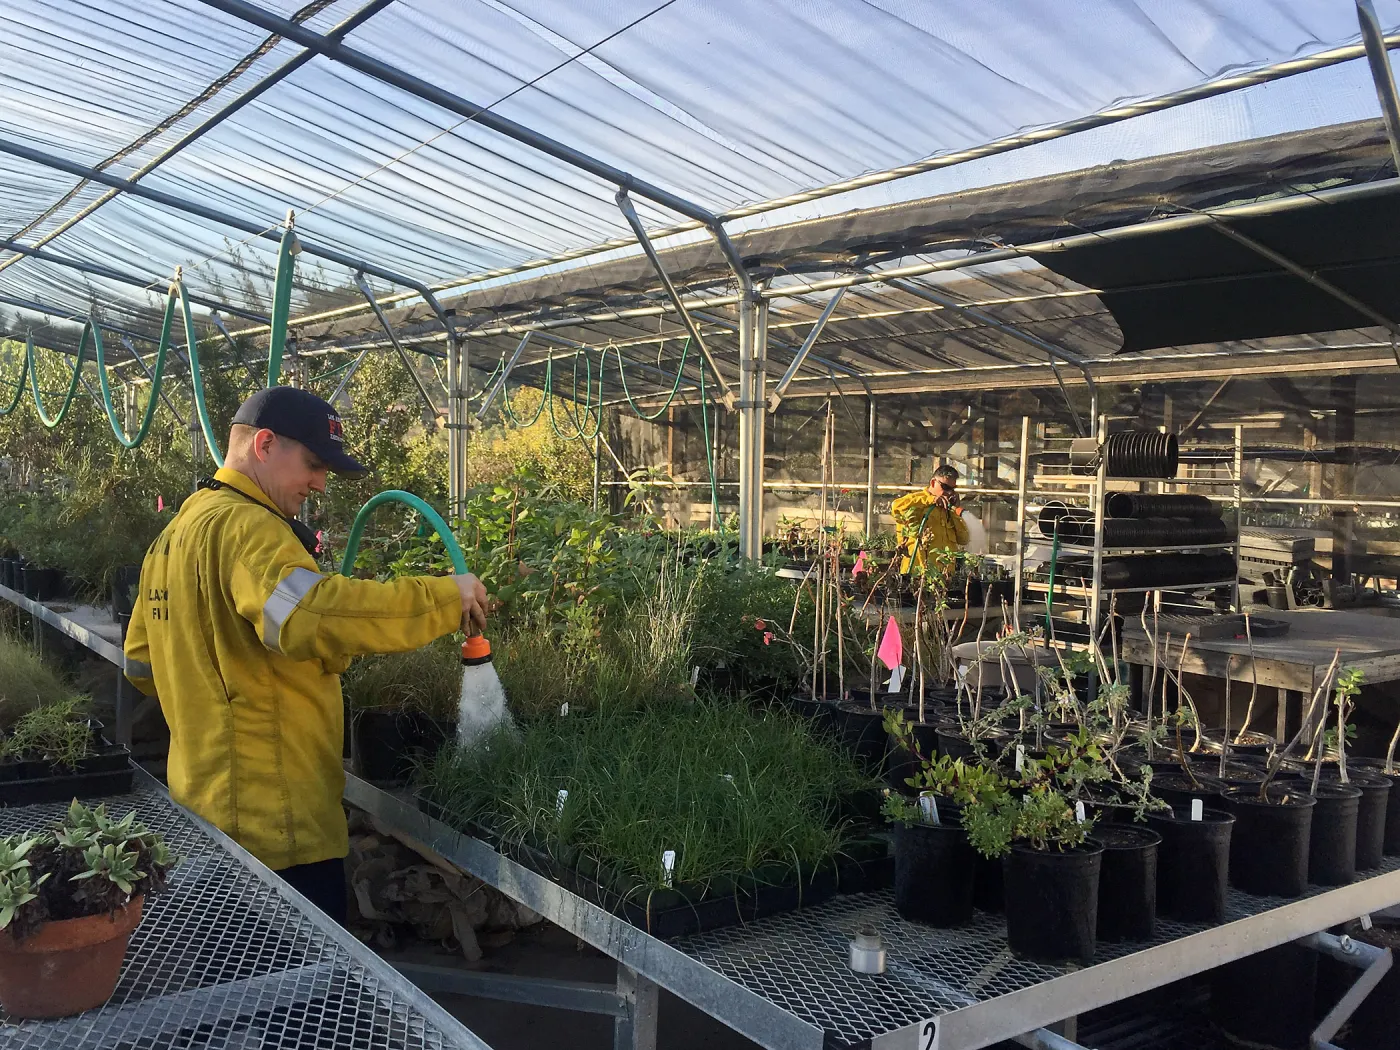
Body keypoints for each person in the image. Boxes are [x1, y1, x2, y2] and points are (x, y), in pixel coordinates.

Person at [123, 386, 488, 923]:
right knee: (296, 1000)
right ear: (265, 444)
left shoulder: (173, 536)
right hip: (276, 832)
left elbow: (140, 662)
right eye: (313, 464)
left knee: (231, 997)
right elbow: (310, 615)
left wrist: (214, 695)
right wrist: (442, 597)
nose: (318, 484)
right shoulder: (247, 528)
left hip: (201, 809)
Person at [891, 463, 969, 573]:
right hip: (918, 574)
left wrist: (954, 512)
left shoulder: (948, 510)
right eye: (945, 487)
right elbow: (896, 506)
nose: (949, 492)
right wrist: (930, 500)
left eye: (952, 489)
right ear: (933, 482)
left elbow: (964, 539)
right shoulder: (917, 499)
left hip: (943, 577)